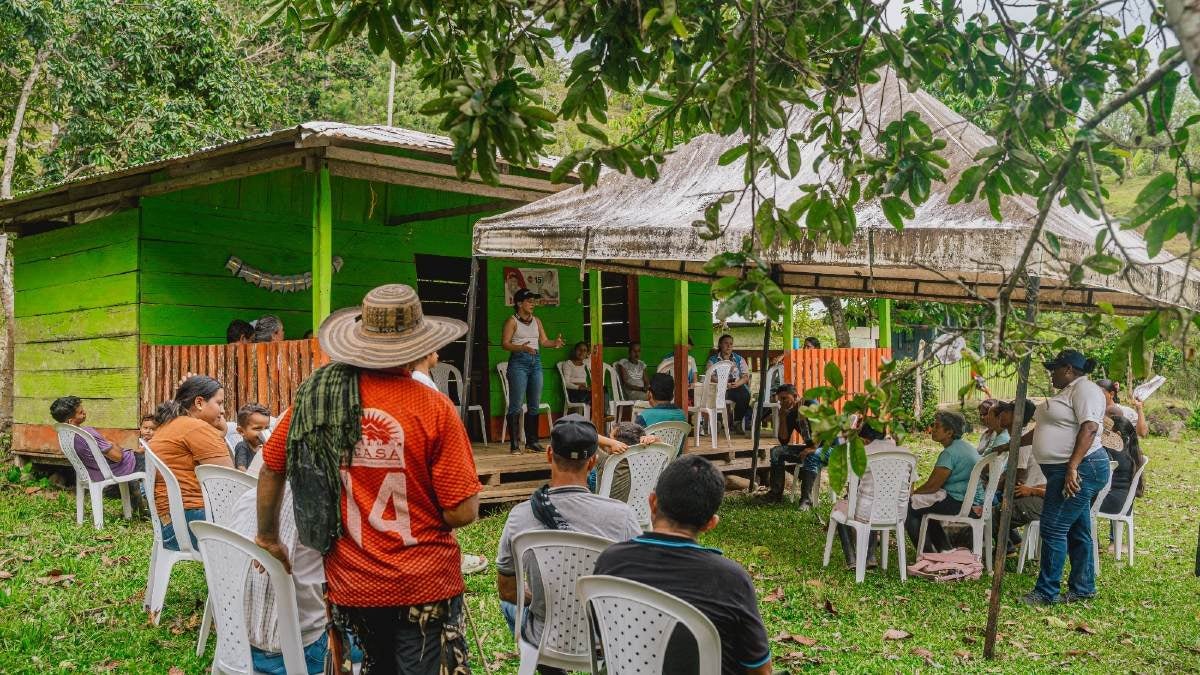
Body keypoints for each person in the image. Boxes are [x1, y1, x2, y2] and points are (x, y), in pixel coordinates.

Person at [256, 284, 482, 674]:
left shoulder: (316, 399)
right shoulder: (433, 407)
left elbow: (272, 466)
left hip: (352, 588)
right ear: (418, 346)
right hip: (424, 586)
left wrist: (268, 537)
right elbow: (462, 511)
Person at [593, 455, 772, 675]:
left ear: (652, 502)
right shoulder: (732, 579)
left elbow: (603, 633)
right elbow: (760, 669)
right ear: (710, 523)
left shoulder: (610, 561)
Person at [495, 415, 642, 671]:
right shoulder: (622, 516)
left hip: (545, 635)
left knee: (509, 605)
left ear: (549, 454)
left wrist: (549, 601)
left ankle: (549, 665)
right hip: (602, 636)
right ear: (593, 462)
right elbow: (637, 586)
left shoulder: (520, 515)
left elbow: (508, 591)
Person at [231, 481, 362, 674]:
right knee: (376, 638)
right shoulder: (329, 509)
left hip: (238, 646)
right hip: (301, 654)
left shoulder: (247, 498)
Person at [1022, 349, 1109, 606]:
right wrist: (1011, 445)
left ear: (1069, 369)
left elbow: (1090, 427)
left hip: (1081, 468)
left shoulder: (1086, 390)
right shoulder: (1067, 392)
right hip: (1067, 469)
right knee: (1078, 529)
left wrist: (1073, 467)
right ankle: (1083, 588)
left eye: (1054, 369)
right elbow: (1046, 429)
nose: (1051, 374)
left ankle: (1046, 592)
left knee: (1053, 528)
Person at [403, 348, 489, 576]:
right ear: (427, 353)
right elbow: (464, 511)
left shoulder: (414, 382)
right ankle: (455, 557)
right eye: (435, 349)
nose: (438, 353)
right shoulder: (424, 386)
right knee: (445, 502)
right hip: (428, 466)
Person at [150, 376, 234, 551]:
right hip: (194, 526)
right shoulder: (196, 428)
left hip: (170, 525)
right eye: (219, 403)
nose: (223, 410)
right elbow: (230, 486)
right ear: (199, 402)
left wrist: (221, 428)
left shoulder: (171, 424)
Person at [904, 411, 981, 553]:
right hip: (970, 501)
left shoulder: (949, 453)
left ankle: (926, 553)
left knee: (907, 507)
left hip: (960, 503)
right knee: (926, 507)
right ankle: (944, 549)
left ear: (949, 432)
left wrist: (913, 493)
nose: (932, 429)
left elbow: (932, 486)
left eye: (937, 426)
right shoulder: (966, 447)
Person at [831, 421, 904, 568]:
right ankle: (869, 557)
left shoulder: (862, 455)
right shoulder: (903, 452)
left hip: (868, 511)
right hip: (896, 511)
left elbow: (853, 489)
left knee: (841, 508)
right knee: (872, 503)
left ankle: (852, 559)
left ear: (864, 440)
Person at [501, 287, 565, 454]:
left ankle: (532, 442)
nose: (532, 304)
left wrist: (555, 343)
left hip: (535, 362)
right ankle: (514, 444)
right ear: (519, 303)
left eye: (533, 301)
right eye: (529, 301)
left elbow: (544, 342)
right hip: (518, 363)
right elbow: (505, 343)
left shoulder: (537, 320)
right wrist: (521, 348)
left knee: (534, 404)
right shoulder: (512, 321)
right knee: (516, 404)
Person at [986, 399, 1041, 554]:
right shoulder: (1017, 438)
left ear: (1016, 415)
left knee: (990, 512)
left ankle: (1006, 548)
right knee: (992, 500)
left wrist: (997, 490)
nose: (1001, 414)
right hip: (1027, 492)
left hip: (1032, 495)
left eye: (1006, 411)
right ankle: (1014, 541)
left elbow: (1019, 476)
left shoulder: (1022, 442)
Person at [50, 396, 145, 479]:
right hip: (117, 470)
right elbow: (118, 457)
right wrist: (113, 443)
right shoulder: (87, 433)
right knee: (151, 460)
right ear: (70, 421)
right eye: (81, 412)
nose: (85, 413)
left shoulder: (65, 435)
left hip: (93, 474)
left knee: (137, 452)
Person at [760, 384, 816, 504]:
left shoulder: (810, 404)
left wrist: (814, 448)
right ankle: (775, 495)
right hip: (809, 447)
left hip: (826, 448)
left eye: (784, 398)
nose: (781, 402)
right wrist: (783, 417)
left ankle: (806, 501)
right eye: (780, 400)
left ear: (795, 396)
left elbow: (825, 431)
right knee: (776, 452)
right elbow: (784, 440)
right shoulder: (790, 413)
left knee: (810, 455)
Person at [1100, 411, 1144, 552]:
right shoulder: (1131, 450)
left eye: (1107, 432)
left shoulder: (1113, 451)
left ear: (1117, 434)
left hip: (1112, 503)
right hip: (1124, 503)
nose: (1103, 436)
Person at [709, 334, 753, 432]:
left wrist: (738, 383)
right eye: (726, 343)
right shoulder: (713, 360)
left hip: (735, 386)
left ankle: (737, 422)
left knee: (745, 394)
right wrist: (722, 383)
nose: (729, 346)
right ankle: (718, 422)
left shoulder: (739, 359)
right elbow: (710, 376)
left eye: (731, 344)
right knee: (715, 394)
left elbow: (745, 376)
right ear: (720, 345)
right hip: (720, 386)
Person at [233, 403, 271, 471]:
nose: (263, 433)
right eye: (257, 428)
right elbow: (241, 469)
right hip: (249, 481)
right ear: (241, 431)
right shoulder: (242, 446)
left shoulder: (262, 448)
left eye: (266, 428)